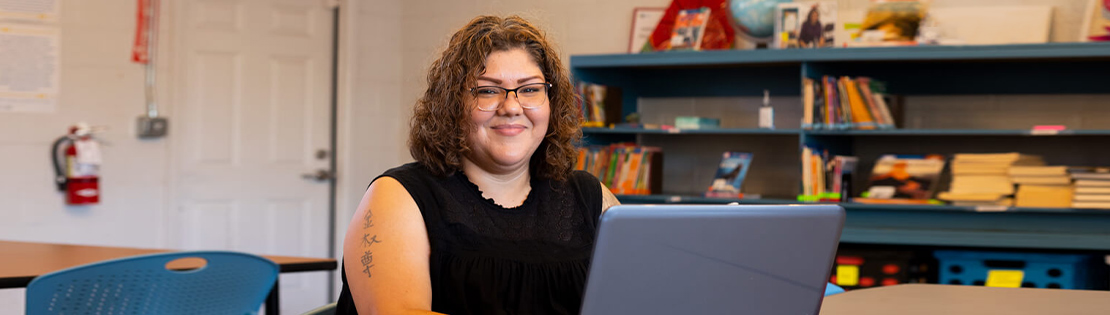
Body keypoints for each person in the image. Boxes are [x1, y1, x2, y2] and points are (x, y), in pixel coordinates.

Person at [336, 15, 621, 315]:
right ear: (452, 104)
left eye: (530, 89)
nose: (511, 107)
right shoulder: (397, 198)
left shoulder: (591, 197)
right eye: (487, 90)